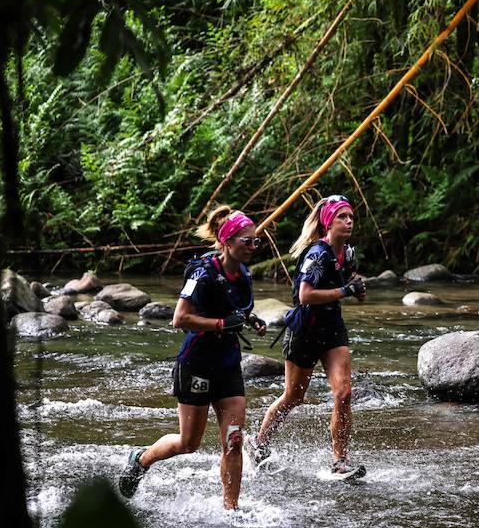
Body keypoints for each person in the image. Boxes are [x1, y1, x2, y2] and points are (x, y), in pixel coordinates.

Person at [118, 205, 267, 509]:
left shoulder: (245, 274)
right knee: (189, 444)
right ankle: (141, 459)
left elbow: (237, 306)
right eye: (247, 241)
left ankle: (231, 510)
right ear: (227, 243)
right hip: (196, 365)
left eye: (256, 241)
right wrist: (221, 325)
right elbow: (179, 318)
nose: (253, 247)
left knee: (234, 442)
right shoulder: (202, 274)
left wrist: (250, 320)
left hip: (228, 366)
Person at [250, 194, 367, 479]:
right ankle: (260, 443)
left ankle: (339, 461)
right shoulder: (317, 254)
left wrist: (357, 287)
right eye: (342, 216)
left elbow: (352, 281)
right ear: (328, 222)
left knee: (344, 393)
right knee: (294, 396)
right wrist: (344, 292)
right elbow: (305, 295)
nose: (348, 221)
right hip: (304, 331)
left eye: (351, 217)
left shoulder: (347, 252)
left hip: (332, 329)